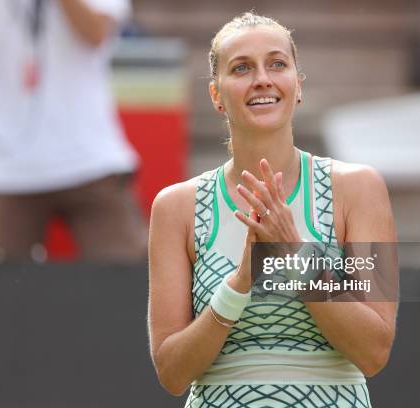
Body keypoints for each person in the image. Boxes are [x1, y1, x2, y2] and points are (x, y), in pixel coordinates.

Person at [148, 12, 398, 407]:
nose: (262, 78)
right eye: (242, 68)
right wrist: (240, 282)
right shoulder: (175, 207)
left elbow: (374, 351)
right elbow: (172, 373)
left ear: (297, 86)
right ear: (216, 95)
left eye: (277, 64)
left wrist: (297, 256)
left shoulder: (359, 188)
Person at [0, 0, 146, 262]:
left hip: (89, 158)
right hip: (3, 171)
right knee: (5, 296)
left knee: (123, 285)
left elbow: (96, 32)